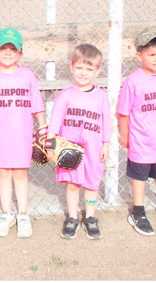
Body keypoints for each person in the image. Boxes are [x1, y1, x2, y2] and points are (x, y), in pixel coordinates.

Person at [0, 27, 46, 238]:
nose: (8, 52)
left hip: (22, 134)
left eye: (12, 49)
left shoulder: (27, 75)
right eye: (3, 48)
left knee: (20, 173)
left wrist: (43, 129)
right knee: (3, 173)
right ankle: (7, 214)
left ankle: (23, 214)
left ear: (20, 53)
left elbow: (37, 105)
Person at [117, 28, 156, 236]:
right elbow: (123, 112)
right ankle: (138, 212)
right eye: (152, 54)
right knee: (140, 179)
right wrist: (124, 135)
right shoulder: (134, 81)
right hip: (140, 142)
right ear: (139, 55)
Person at [46, 44, 111, 239]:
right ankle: (73, 217)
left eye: (89, 69)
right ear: (72, 67)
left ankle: (90, 217)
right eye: (80, 68)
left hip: (94, 147)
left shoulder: (100, 95)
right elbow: (55, 120)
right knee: (73, 184)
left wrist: (106, 143)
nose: (84, 73)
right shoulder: (66, 94)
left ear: (97, 70)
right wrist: (50, 143)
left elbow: (106, 121)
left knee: (92, 185)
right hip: (70, 148)